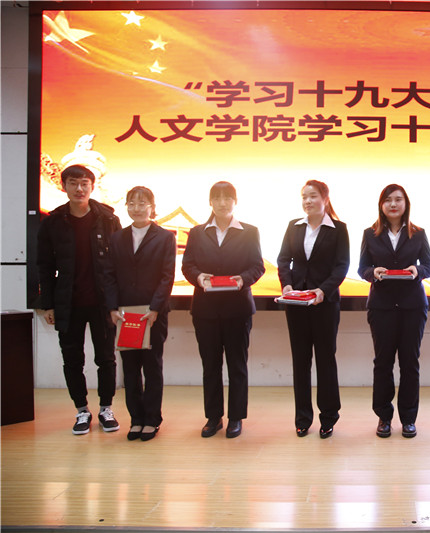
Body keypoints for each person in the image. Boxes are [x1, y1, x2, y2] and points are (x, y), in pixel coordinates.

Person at [37, 164, 122, 435]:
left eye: (84, 183)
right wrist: (48, 304)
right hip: (68, 303)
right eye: (73, 183)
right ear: (64, 186)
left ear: (92, 187)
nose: (79, 188)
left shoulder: (108, 219)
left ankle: (106, 408)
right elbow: (44, 266)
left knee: (106, 358)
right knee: (72, 360)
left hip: (102, 303)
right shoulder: (52, 222)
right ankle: (82, 411)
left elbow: (119, 264)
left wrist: (117, 303)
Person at [182, 181, 265, 439]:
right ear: (210, 202)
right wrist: (199, 277)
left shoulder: (249, 232)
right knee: (210, 365)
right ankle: (213, 417)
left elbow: (257, 266)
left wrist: (242, 279)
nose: (222, 203)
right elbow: (187, 266)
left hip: (237, 309)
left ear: (235, 201)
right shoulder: (197, 232)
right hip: (205, 310)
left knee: (237, 365)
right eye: (216, 198)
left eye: (227, 197)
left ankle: (236, 417)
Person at [359, 184, 430, 438]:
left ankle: (409, 419)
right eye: (388, 200)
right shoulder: (370, 234)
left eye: (398, 199)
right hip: (381, 307)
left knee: (409, 363)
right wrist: (373, 272)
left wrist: (418, 271)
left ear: (406, 204)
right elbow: (362, 268)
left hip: (413, 306)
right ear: (381, 205)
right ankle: (384, 417)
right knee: (383, 363)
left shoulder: (418, 234)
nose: (393, 204)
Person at [277, 180, 350, 439]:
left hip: (325, 304)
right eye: (304, 197)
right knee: (300, 361)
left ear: (325, 199)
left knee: (325, 360)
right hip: (296, 304)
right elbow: (283, 259)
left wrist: (323, 290)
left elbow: (341, 266)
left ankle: (328, 417)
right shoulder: (294, 226)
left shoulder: (338, 229)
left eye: (313, 196)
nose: (308, 201)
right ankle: (302, 418)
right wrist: (287, 285)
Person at [104, 187, 176, 441]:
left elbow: (167, 276)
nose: (136, 208)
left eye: (142, 203)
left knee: (152, 367)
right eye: (132, 203)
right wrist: (113, 308)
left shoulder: (165, 237)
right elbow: (109, 275)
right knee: (130, 369)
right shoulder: (117, 238)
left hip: (152, 314)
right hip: (125, 315)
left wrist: (155, 308)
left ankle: (152, 420)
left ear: (152, 207)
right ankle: (136, 419)